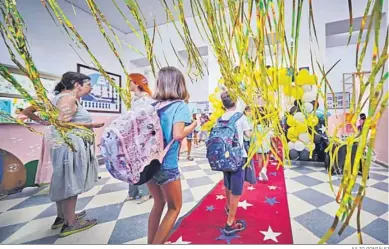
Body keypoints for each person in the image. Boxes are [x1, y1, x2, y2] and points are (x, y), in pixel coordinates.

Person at [49, 72, 105, 237]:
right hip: (70, 146)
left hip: (64, 144)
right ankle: (70, 223)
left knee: (64, 178)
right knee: (71, 181)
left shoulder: (59, 97)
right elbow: (61, 123)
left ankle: (63, 216)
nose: (90, 87)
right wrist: (90, 124)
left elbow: (56, 122)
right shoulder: (68, 99)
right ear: (77, 84)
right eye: (88, 84)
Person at [146, 67, 197, 244]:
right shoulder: (179, 106)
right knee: (174, 207)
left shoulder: (151, 105)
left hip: (147, 164)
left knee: (157, 203)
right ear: (179, 84)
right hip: (166, 164)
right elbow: (178, 134)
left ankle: (150, 242)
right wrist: (194, 125)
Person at [219, 91, 251, 235]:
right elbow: (248, 135)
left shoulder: (220, 118)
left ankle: (227, 206)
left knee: (227, 183)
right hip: (238, 157)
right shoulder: (240, 117)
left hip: (224, 157)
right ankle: (230, 223)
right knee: (237, 189)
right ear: (236, 102)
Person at [125, 73, 152, 204]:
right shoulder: (134, 100)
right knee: (131, 164)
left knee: (141, 165)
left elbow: (145, 121)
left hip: (142, 138)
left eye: (129, 81)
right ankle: (133, 191)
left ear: (136, 83)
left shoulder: (146, 99)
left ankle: (145, 192)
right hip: (132, 137)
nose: (127, 84)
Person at [255, 107, 272, 181]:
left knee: (260, 159)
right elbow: (271, 134)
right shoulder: (267, 125)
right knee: (267, 157)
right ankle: (264, 169)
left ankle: (260, 174)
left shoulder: (255, 125)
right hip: (266, 145)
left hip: (258, 145)